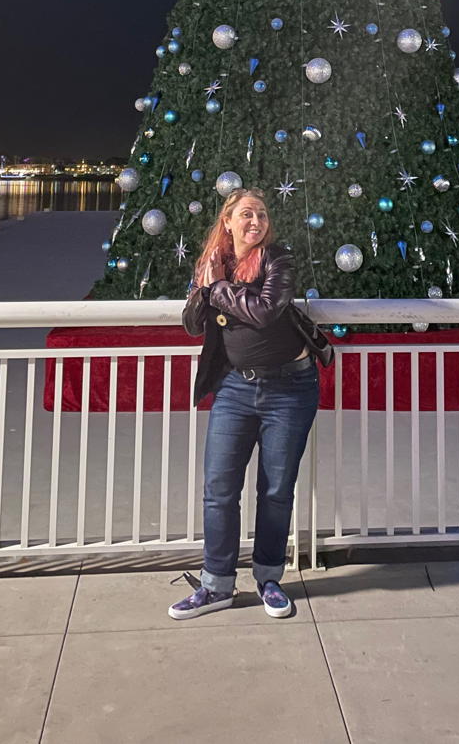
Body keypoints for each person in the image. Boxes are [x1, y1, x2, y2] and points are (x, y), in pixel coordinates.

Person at [167, 186, 329, 619]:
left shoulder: (278, 259)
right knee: (219, 490)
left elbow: (265, 310)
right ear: (227, 221)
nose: (255, 221)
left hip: (290, 390)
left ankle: (269, 579)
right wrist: (204, 287)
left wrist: (216, 288)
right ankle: (216, 585)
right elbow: (191, 324)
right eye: (246, 214)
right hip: (235, 390)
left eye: (261, 214)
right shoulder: (212, 262)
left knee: (275, 490)